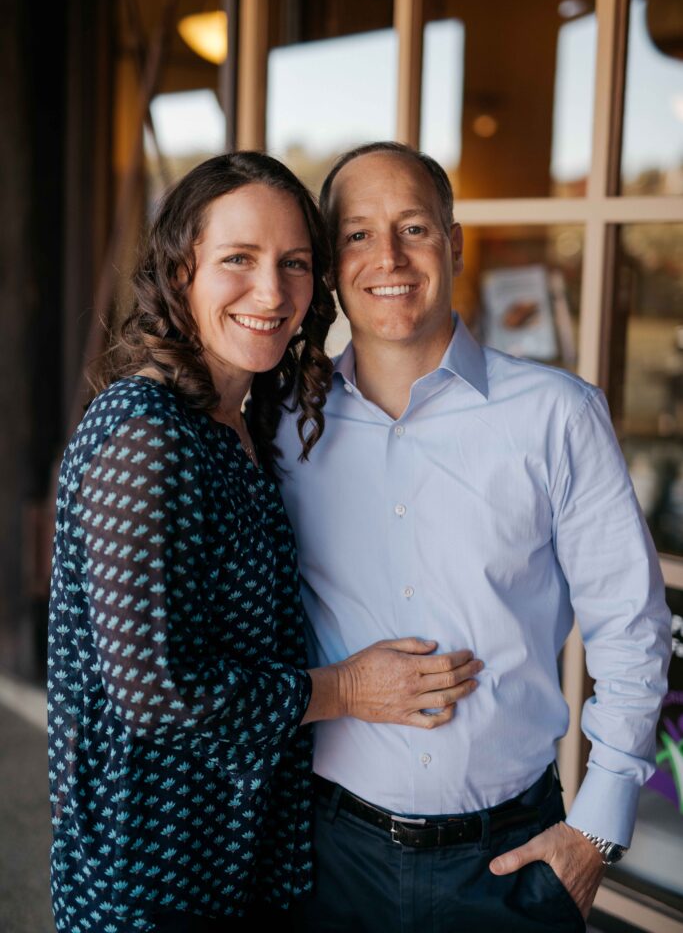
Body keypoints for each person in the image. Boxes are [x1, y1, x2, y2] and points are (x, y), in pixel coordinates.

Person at [47, 152, 480, 933]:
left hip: (243, 851)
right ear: (180, 271)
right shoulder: (145, 435)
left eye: (295, 265)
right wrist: (346, 690)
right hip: (155, 874)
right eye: (237, 260)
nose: (271, 292)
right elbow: (157, 695)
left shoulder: (246, 418)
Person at [275, 142, 672, 933]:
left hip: (509, 865)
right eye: (356, 234)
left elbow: (630, 626)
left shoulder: (556, 413)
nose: (386, 256)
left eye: (413, 228)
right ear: (328, 264)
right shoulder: (284, 423)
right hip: (325, 857)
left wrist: (596, 827)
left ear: (453, 242)